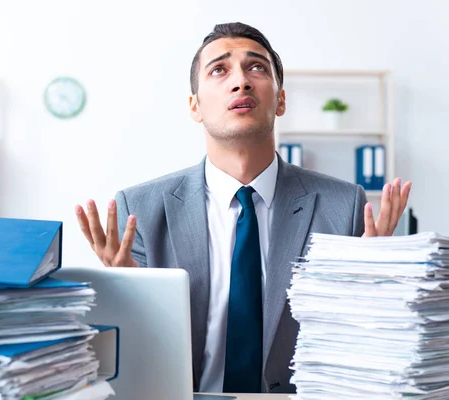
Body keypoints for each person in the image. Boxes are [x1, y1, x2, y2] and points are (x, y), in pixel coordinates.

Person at [74, 22, 412, 394]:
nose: (241, 81)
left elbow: (359, 348)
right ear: (195, 106)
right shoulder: (139, 209)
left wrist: (376, 287)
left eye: (257, 68)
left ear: (280, 100)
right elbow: (130, 359)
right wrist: (128, 294)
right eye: (219, 69)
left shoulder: (344, 206)